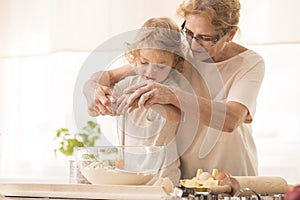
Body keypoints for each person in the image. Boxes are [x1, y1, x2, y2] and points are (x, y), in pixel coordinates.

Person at [83, 0, 265, 180]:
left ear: (230, 34)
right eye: (189, 32)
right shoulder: (178, 51)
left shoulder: (249, 63)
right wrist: (93, 89)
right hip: (185, 176)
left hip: (231, 173)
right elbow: (112, 75)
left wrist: (172, 95)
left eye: (205, 38)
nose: (193, 45)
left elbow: (231, 119)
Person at [109, 17, 190, 185]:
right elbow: (98, 105)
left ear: (175, 62)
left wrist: (150, 100)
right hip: (130, 176)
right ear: (135, 56)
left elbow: (177, 115)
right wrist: (104, 101)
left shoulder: (174, 88)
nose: (150, 71)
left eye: (161, 66)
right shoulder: (128, 83)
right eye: (144, 62)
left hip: (164, 178)